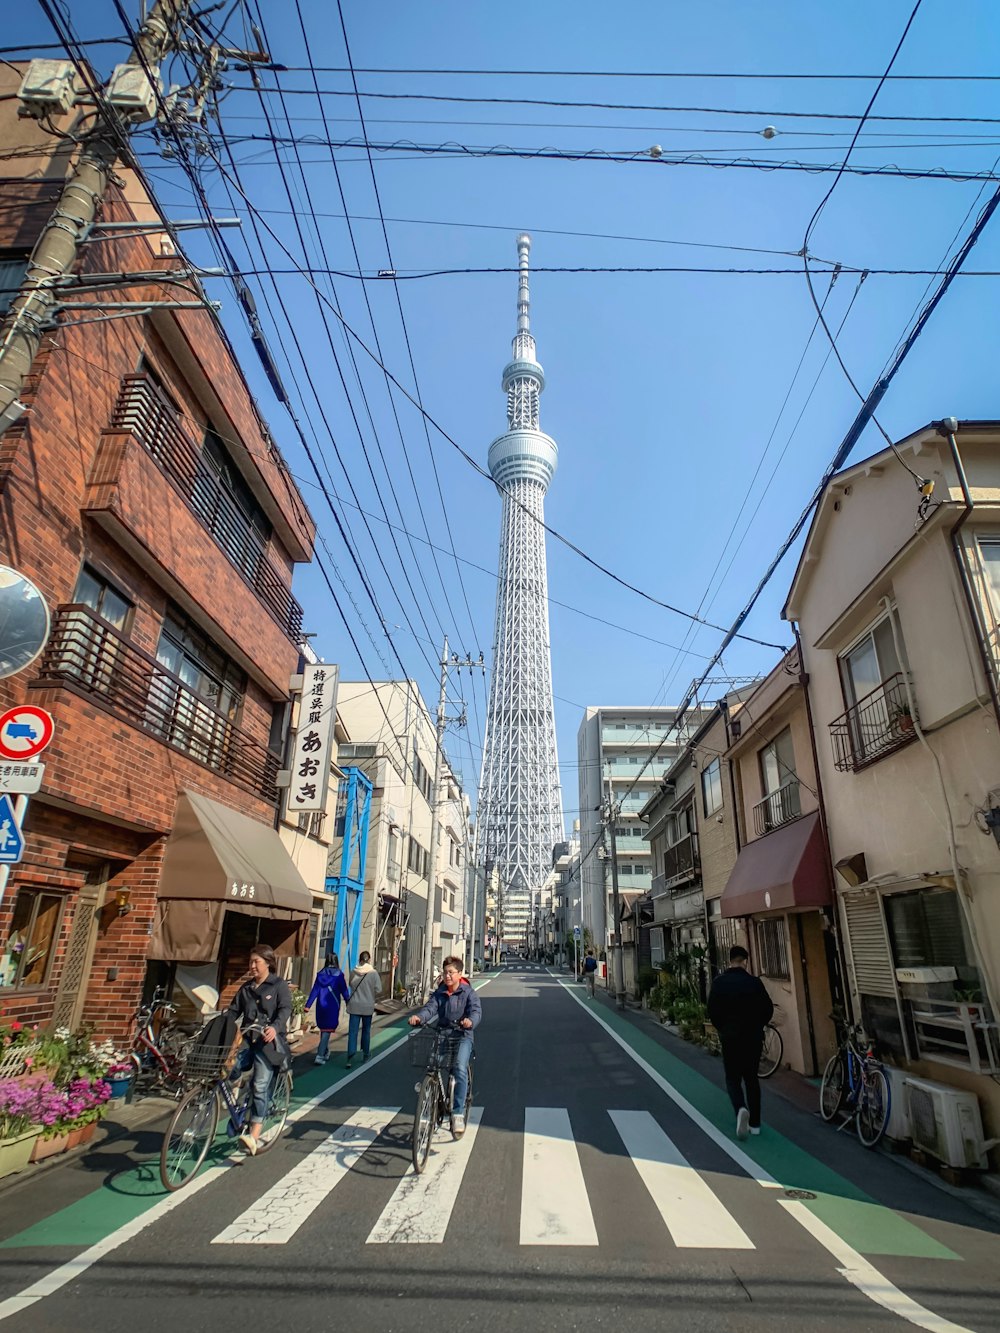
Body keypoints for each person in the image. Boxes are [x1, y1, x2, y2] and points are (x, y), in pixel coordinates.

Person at [227, 944, 292, 1156]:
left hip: (268, 1044)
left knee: (260, 1085)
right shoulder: (246, 988)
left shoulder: (278, 985)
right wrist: (221, 1026)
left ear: (268, 963)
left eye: (257, 962)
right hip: (248, 1041)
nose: (252, 966)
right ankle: (238, 1101)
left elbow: (285, 1009)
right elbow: (233, 1011)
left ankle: (254, 1134)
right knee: (230, 1069)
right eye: (251, 961)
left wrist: (274, 1027)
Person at [408, 955, 482, 1135]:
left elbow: (476, 1011)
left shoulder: (468, 993)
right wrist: (419, 1017)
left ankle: (457, 1113)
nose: (447, 976)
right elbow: (430, 1009)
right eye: (445, 972)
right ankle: (430, 1107)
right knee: (432, 1064)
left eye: (451, 972)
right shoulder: (440, 992)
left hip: (463, 1035)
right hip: (443, 1033)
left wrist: (470, 1021)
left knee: (459, 1067)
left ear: (459, 974)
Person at [707, 945, 774, 1140]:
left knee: (733, 1078)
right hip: (752, 1037)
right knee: (752, 1079)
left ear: (730, 960)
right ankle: (755, 1125)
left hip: (730, 1037)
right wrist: (758, 1024)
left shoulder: (719, 983)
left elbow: (712, 1011)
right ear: (745, 961)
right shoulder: (754, 983)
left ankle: (740, 1109)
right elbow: (767, 1009)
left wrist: (723, 1028)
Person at [307, 952, 350, 1065]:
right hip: (332, 1005)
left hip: (321, 1006)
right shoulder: (339, 975)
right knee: (327, 1031)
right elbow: (344, 991)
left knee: (323, 1029)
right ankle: (320, 1055)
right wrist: (348, 1002)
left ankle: (325, 1051)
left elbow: (314, 990)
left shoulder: (320, 975)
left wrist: (308, 1005)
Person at [345, 950, 382, 1070]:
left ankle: (350, 1057)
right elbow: (378, 989)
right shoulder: (373, 973)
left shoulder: (353, 971)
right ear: (369, 959)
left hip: (355, 1005)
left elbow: (351, 984)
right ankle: (366, 1054)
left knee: (353, 1032)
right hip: (367, 1005)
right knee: (366, 1031)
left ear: (359, 960)